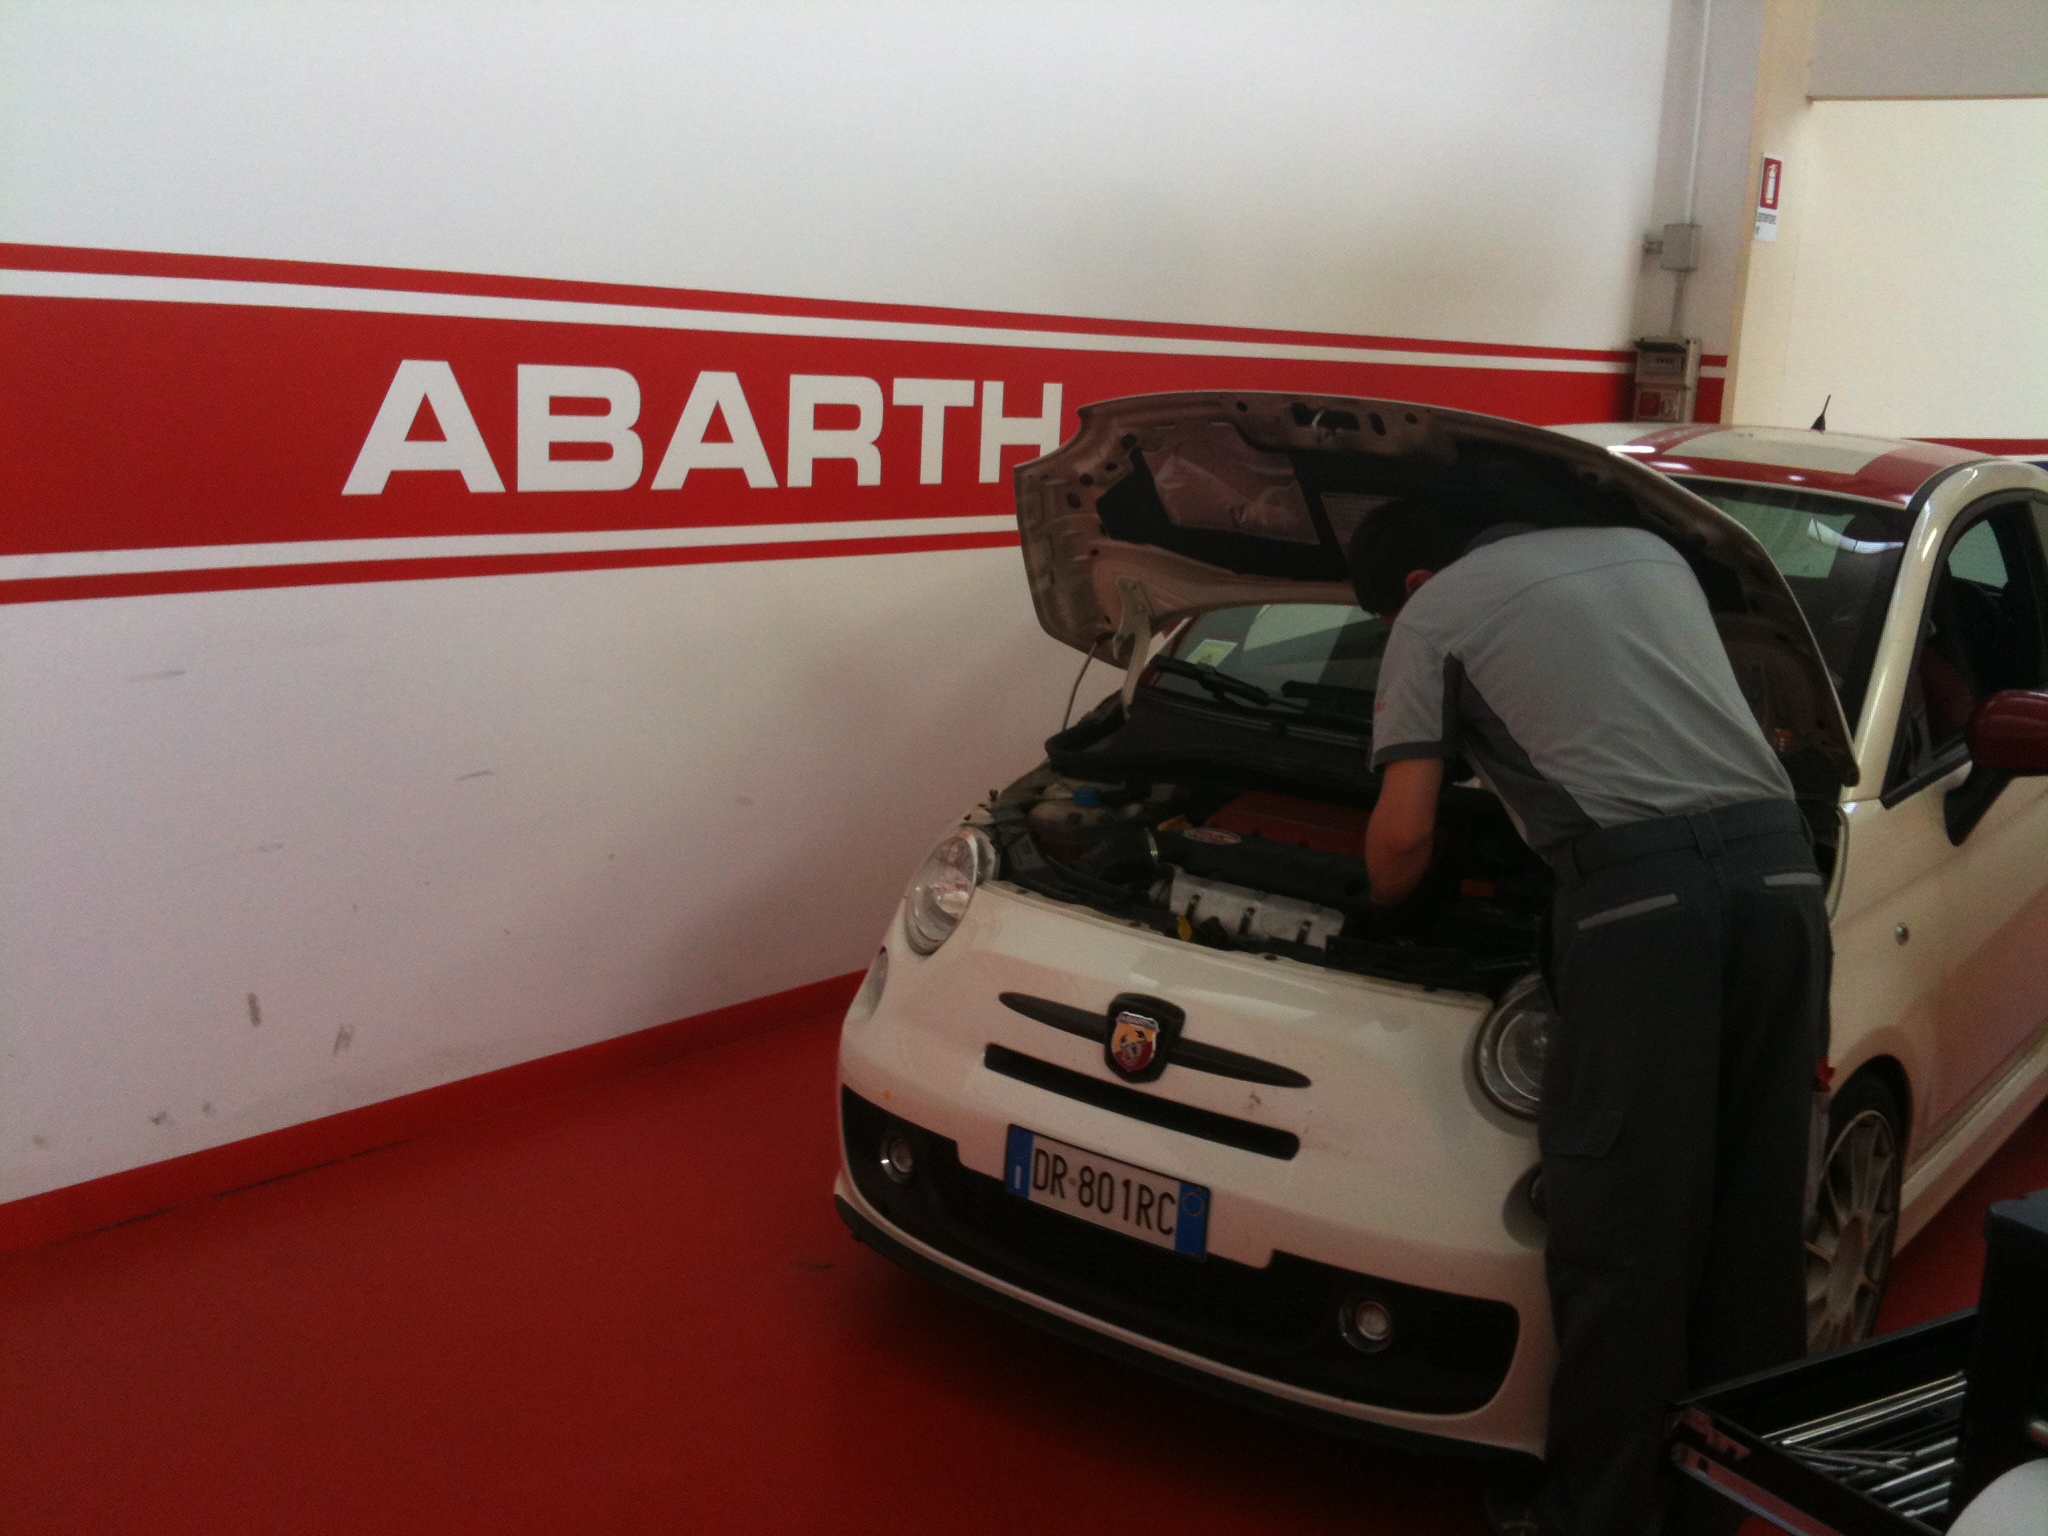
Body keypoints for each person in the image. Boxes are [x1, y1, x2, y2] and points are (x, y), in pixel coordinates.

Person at [1352, 498, 1831, 1536]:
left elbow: (1401, 840)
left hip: (1642, 913)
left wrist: (1380, 909)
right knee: (1754, 1219)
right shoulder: (1646, 551)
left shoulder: (1433, 614)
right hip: (1784, 881)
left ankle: (1594, 1518)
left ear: (1410, 587)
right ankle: (1722, 1504)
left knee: (1624, 1234)